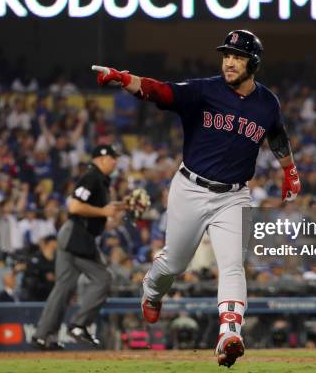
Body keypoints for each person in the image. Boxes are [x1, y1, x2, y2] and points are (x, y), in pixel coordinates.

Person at [93, 29, 301, 367]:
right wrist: (123, 79)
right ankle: (152, 289)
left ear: (254, 63)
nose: (230, 62)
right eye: (227, 55)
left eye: (238, 56)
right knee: (175, 262)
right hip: (190, 188)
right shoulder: (206, 90)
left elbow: (276, 133)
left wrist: (289, 171)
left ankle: (229, 334)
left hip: (234, 196)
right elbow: (159, 91)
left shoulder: (267, 102)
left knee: (233, 265)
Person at [32, 145, 122, 350]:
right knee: (103, 278)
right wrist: (103, 211)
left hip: (75, 233)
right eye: (113, 157)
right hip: (77, 235)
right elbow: (74, 207)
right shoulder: (92, 176)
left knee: (64, 287)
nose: (115, 161)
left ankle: (44, 335)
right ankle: (79, 324)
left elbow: (99, 216)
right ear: (101, 158)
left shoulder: (100, 179)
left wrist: (122, 208)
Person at [21, 235, 57, 301]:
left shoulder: (57, 258)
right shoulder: (36, 257)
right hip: (37, 293)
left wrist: (54, 277)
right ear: (52, 242)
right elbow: (29, 268)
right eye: (56, 241)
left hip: (53, 293)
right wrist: (44, 274)